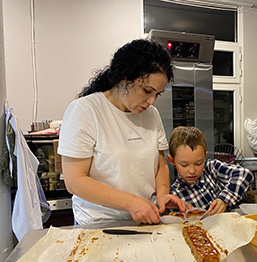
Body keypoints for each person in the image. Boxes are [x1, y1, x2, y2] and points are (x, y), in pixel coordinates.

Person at [58, 39, 186, 226]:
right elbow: (75, 181)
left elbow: (160, 164)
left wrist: (163, 194)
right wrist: (132, 203)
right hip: (99, 225)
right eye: (147, 90)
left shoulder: (151, 115)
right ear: (123, 78)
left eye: (157, 94)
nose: (152, 101)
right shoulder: (85, 111)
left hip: (146, 220)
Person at [168, 126, 254, 215]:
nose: (192, 171)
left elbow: (245, 174)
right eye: (184, 165)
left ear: (205, 157)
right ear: (172, 161)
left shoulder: (211, 168)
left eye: (198, 163)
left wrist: (224, 199)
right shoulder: (174, 195)